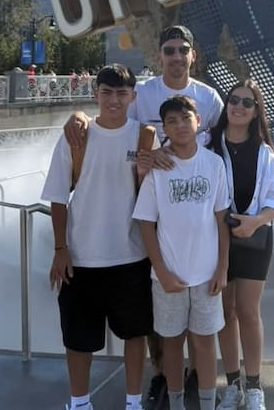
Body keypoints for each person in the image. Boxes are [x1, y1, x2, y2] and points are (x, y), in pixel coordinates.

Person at [63, 24, 224, 408]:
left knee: (201, 314)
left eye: (182, 49)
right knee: (159, 313)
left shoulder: (209, 98)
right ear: (159, 55)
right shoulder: (145, 94)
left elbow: (230, 136)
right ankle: (162, 376)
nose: (176, 56)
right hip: (153, 208)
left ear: (192, 54)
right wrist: (78, 114)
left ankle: (200, 380)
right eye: (169, 50)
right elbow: (114, 119)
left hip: (197, 211)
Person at [41, 64, 157, 410]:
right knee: (78, 338)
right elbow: (58, 197)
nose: (113, 100)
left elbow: (156, 192)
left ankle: (133, 402)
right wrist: (61, 248)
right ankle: (80, 403)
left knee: (135, 333)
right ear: (96, 95)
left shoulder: (144, 137)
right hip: (81, 257)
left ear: (133, 97)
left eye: (121, 93)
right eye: (106, 93)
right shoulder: (77, 136)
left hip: (131, 255)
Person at [133, 95, 230, 410]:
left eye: (185, 118)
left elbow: (221, 219)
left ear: (198, 121)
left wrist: (222, 268)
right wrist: (161, 271)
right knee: (172, 343)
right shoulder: (159, 168)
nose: (180, 126)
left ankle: (206, 404)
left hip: (206, 275)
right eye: (171, 121)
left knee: (205, 343)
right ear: (164, 128)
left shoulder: (213, 164)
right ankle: (176, 404)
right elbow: (146, 223)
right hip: (168, 277)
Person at [208, 80, 274, 410]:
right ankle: (233, 386)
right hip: (217, 240)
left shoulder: (264, 153)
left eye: (247, 102)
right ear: (226, 104)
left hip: (254, 239)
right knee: (224, 312)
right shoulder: (208, 145)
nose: (239, 106)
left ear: (256, 112)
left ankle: (254, 386)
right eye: (234, 100)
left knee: (248, 312)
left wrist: (254, 222)